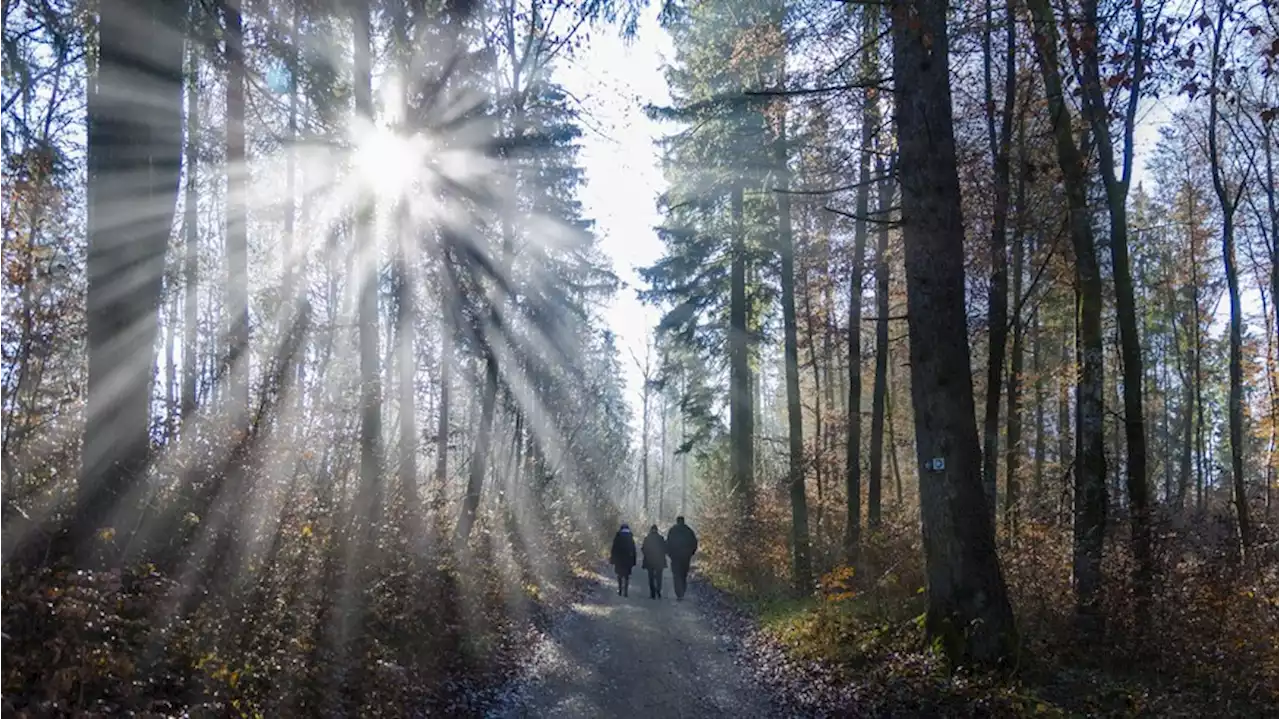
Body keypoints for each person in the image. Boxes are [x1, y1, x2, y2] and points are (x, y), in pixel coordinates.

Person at [665, 516, 699, 600]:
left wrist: (669, 554)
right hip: (685, 557)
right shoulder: (689, 531)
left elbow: (668, 543)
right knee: (683, 575)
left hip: (675, 557)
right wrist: (691, 553)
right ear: (684, 521)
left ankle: (678, 593)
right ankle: (682, 591)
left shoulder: (672, 530)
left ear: (677, 521)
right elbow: (694, 543)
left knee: (676, 575)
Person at [641, 524, 667, 599]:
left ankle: (652, 593)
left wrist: (647, 555)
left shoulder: (647, 538)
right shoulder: (661, 538)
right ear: (657, 530)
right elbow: (665, 549)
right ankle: (658, 590)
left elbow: (643, 549)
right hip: (659, 561)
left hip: (650, 561)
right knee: (659, 577)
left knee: (651, 577)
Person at [610, 523, 636, 597]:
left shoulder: (618, 536)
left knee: (619, 575)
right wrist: (634, 561)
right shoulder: (630, 537)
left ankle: (620, 589)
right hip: (628, 559)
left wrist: (612, 559)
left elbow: (614, 549)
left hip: (619, 559)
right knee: (627, 576)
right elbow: (633, 550)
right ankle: (626, 591)